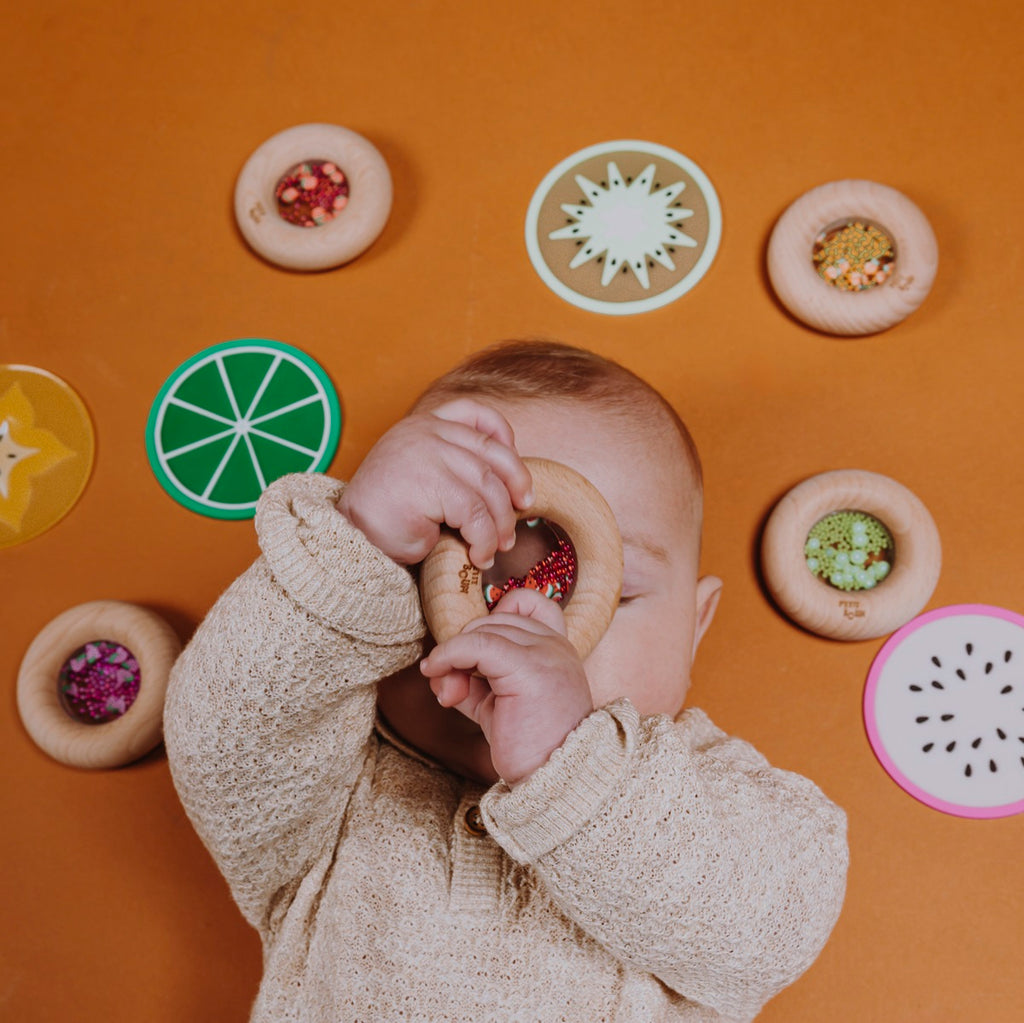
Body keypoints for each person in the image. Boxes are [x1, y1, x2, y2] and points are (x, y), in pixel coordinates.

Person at [165, 339, 848, 1022]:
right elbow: (222, 735)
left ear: (693, 629)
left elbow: (773, 930)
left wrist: (577, 768)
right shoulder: (332, 783)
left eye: (603, 592)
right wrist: (355, 547)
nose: (516, 622)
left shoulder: (716, 796)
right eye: (443, 575)